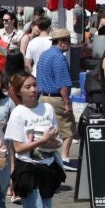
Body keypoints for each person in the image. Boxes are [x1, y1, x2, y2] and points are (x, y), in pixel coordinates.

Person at [5, 77, 63, 208]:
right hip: (27, 170)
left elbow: (57, 141)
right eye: (27, 87)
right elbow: (19, 148)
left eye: (34, 85)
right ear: (18, 91)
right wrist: (41, 140)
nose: (33, 90)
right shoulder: (18, 113)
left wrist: (53, 140)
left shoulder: (47, 108)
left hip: (47, 168)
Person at [33, 28, 76, 167]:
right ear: (61, 42)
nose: (69, 44)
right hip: (56, 98)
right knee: (68, 129)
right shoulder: (60, 58)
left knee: (44, 129)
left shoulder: (44, 55)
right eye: (68, 41)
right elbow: (63, 84)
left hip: (42, 97)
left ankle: (43, 156)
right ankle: (65, 158)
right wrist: (67, 103)